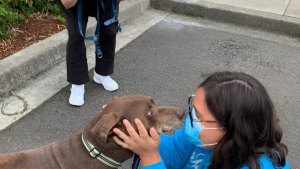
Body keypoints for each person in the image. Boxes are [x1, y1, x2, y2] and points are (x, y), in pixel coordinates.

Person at [113, 71, 290, 169]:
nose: (190, 118)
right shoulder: (202, 139)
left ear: (232, 129)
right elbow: (176, 150)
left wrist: (150, 157)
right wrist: (148, 141)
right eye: (193, 108)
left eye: (199, 116)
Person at [56, 0, 121, 106]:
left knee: (109, 31)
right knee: (76, 37)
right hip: (74, 4)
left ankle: (102, 73)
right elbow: (67, 3)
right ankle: (77, 83)